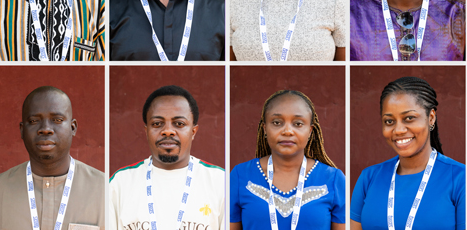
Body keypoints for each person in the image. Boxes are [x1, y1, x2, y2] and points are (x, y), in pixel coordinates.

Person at [350, 77, 465, 230]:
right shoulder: (369, 178)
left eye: (409, 118)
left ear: (431, 118)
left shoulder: (460, 178)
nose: (398, 130)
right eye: (389, 121)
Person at [110, 85, 224, 229]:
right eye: (157, 124)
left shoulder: (220, 183)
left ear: (193, 131)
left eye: (179, 124)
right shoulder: (120, 184)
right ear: (146, 131)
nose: (168, 131)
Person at [0, 86, 104, 230]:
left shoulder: (106, 190)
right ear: (22, 130)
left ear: (73, 127)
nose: (45, 129)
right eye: (33, 121)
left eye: (57, 119)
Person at [230, 90, 345, 230]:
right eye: (277, 122)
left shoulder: (333, 179)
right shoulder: (240, 175)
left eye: (298, 124)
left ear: (310, 131)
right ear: (265, 129)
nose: (287, 131)